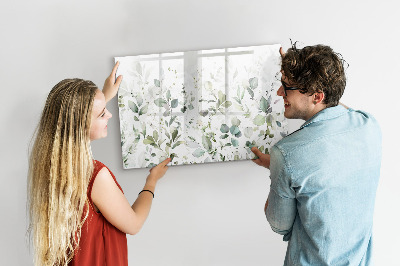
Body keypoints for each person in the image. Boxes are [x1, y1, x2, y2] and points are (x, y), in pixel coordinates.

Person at [27, 62, 170, 266]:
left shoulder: (50, 165)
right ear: (81, 124)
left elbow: (77, 118)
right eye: (102, 113)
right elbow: (134, 223)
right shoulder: (95, 176)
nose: (109, 115)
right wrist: (151, 181)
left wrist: (104, 96)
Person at [251, 43, 381, 265]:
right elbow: (335, 108)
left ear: (317, 96)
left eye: (287, 86)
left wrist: (279, 169)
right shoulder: (369, 125)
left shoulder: (286, 153)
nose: (279, 92)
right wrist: (298, 70)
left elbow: (279, 224)